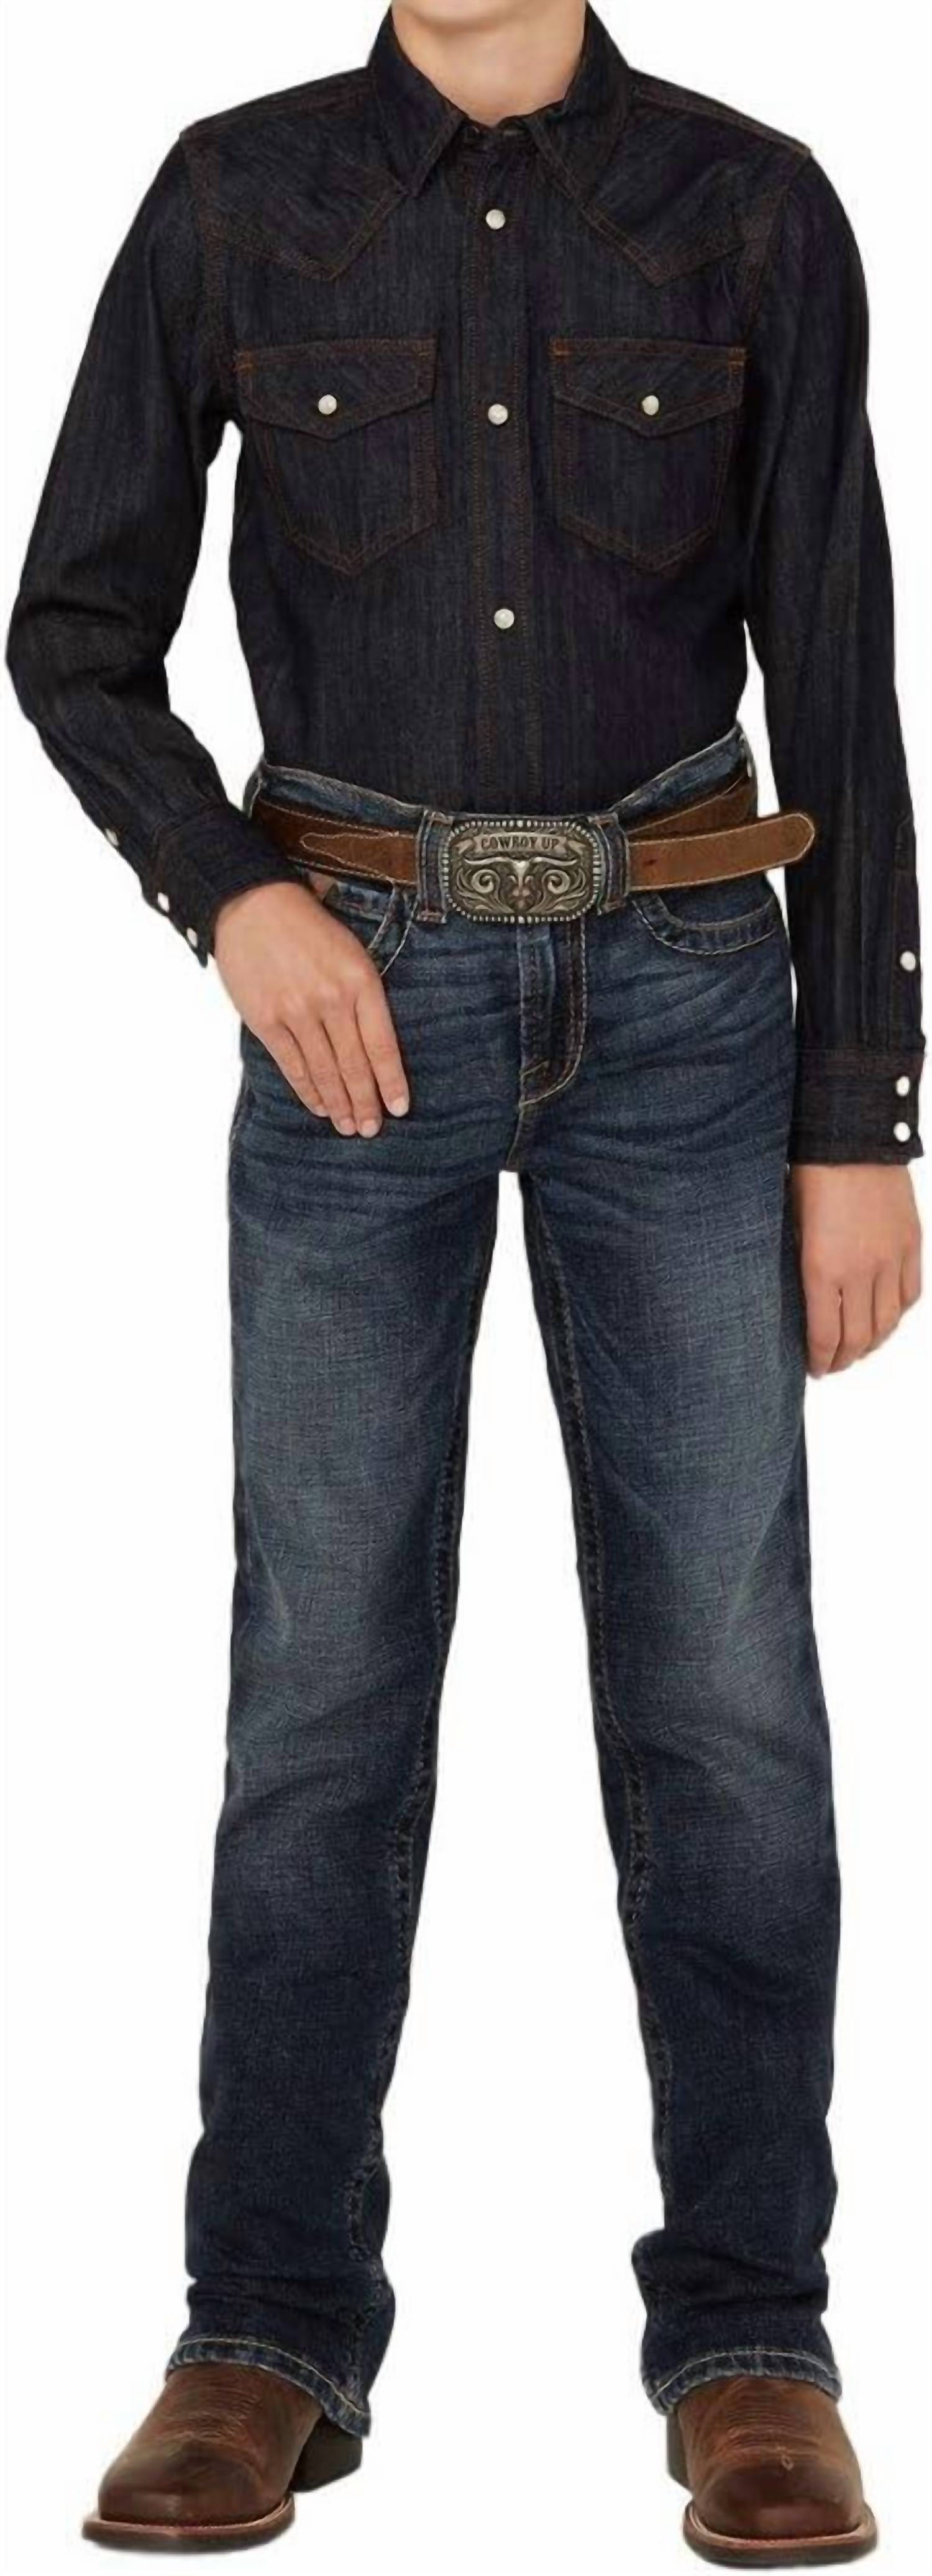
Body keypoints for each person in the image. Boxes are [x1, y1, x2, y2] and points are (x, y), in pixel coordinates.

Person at [7, 0, 923, 2560]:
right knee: (320, 1686)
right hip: (354, 1011)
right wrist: (231, 892)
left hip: (689, 994)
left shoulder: (752, 201)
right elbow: (71, 624)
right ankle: (264, 2329)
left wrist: (861, 1107)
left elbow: (839, 662)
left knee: (726, 1693)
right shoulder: (235, 193)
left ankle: (753, 2339)